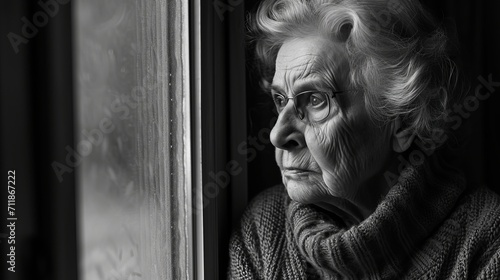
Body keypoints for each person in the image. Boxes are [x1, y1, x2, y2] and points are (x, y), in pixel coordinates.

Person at [228, 0, 500, 279]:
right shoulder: (265, 231)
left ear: (403, 119)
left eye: (315, 100)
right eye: (279, 100)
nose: (277, 135)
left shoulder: (486, 242)